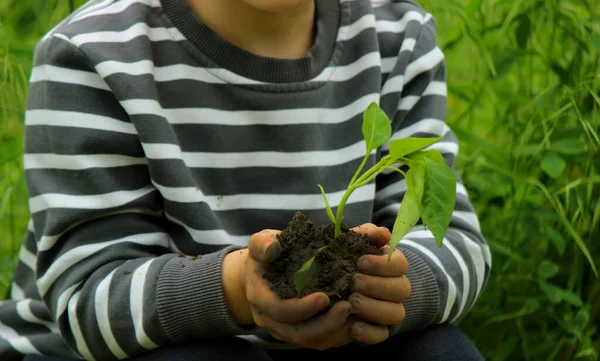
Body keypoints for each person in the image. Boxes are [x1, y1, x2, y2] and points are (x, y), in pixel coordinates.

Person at [0, 0, 492, 360]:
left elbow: (455, 242)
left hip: (343, 332)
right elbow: (90, 296)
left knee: (440, 350)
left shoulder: (398, 38)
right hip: (108, 351)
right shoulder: (96, 52)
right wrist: (237, 287)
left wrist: (393, 287)